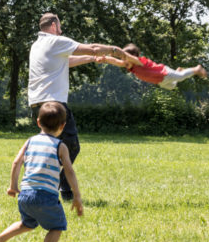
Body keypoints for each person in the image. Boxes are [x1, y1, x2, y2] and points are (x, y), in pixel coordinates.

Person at [28, 13, 141, 200]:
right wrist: (116, 50)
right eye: (60, 26)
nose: (62, 30)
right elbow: (95, 47)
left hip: (37, 104)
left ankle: (61, 191)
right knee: (71, 146)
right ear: (54, 25)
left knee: (53, 148)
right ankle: (52, 186)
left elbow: (67, 62)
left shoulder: (37, 45)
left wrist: (91, 58)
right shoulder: (55, 41)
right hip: (54, 104)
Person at [0, 102, 83, 242]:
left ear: (38, 122)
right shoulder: (61, 146)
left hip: (25, 195)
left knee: (27, 223)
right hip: (46, 196)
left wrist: (13, 186)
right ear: (63, 125)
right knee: (57, 227)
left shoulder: (30, 141)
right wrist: (77, 196)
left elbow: (17, 162)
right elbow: (69, 171)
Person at [100, 43, 208, 90]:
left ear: (132, 57)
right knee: (172, 86)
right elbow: (116, 62)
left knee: (180, 77)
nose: (123, 61)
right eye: (123, 60)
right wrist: (105, 59)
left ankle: (196, 69)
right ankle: (178, 71)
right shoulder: (128, 65)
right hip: (160, 81)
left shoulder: (138, 61)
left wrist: (116, 51)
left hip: (163, 72)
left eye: (125, 58)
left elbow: (125, 56)